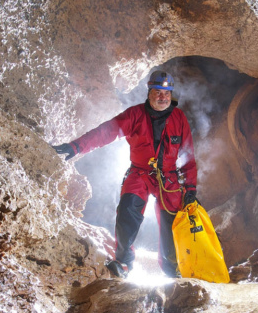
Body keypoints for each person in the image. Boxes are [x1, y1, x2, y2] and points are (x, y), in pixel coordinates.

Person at [53, 71, 198, 278]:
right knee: (127, 212)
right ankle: (124, 263)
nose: (163, 97)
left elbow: (187, 155)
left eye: (166, 93)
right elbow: (106, 132)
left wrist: (190, 187)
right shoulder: (134, 115)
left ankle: (172, 267)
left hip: (168, 177)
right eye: (158, 92)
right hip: (139, 174)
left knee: (172, 221)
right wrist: (75, 147)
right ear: (149, 92)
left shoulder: (179, 118)